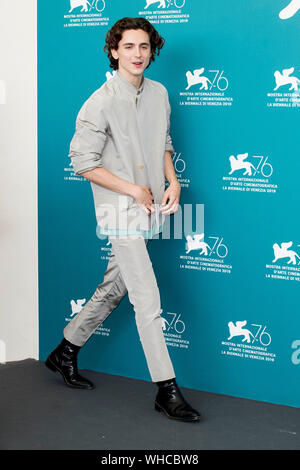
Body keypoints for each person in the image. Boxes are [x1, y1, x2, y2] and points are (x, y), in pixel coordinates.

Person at [46, 17, 201, 422]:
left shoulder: (160, 93)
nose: (137, 54)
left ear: (153, 51)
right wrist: (132, 189)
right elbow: (82, 163)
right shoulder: (99, 102)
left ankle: (66, 349)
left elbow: (164, 142)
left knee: (115, 285)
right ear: (114, 51)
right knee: (146, 297)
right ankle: (166, 390)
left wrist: (173, 180)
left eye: (144, 46)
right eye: (128, 46)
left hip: (151, 207)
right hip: (119, 211)